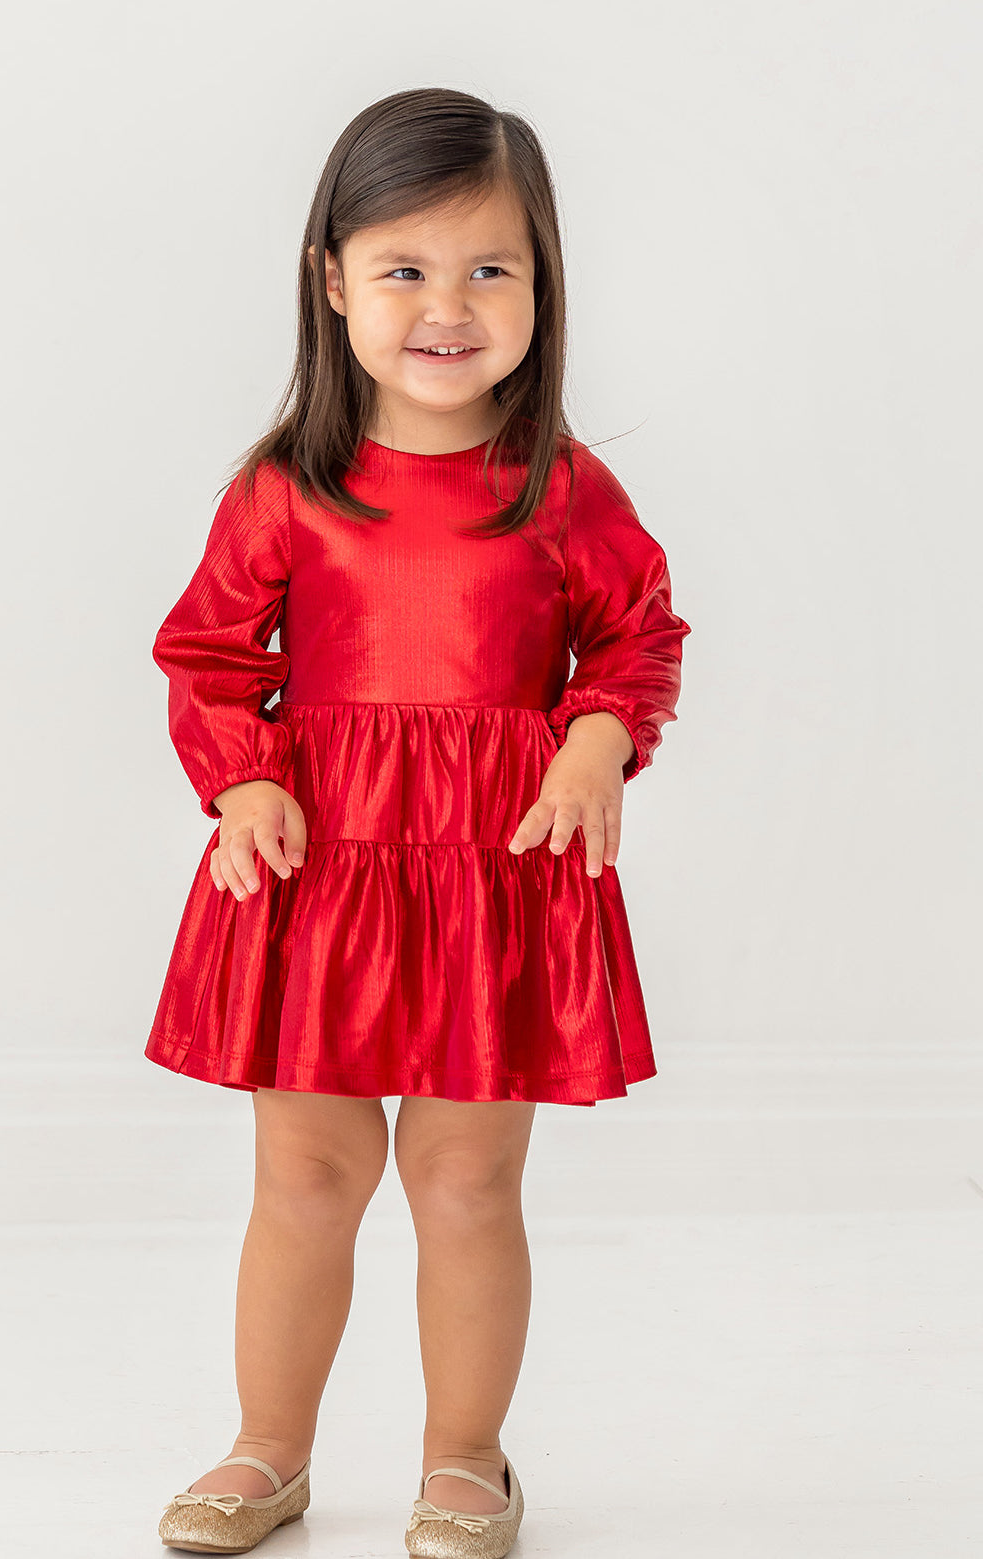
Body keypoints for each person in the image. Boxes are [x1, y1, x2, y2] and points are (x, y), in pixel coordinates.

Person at [147, 86, 691, 1558]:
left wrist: (592, 743)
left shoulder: (567, 493)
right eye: (404, 268)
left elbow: (637, 642)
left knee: (465, 1180)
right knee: (306, 1179)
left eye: (488, 269)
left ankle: (469, 1458)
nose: (446, 305)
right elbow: (206, 657)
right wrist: (244, 776)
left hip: (494, 875)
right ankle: (270, 1449)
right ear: (332, 281)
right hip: (317, 872)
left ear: (541, 287)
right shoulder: (289, 493)